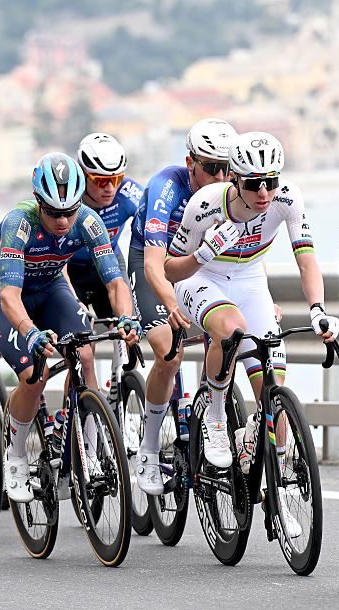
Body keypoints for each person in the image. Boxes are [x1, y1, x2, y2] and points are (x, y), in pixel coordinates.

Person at [164, 131, 339, 535]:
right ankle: (216, 418)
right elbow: (170, 270)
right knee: (231, 329)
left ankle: (278, 498)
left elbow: (307, 261)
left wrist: (318, 310)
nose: (264, 192)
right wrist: (203, 254)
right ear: (234, 180)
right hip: (202, 277)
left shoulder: (287, 200)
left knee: (273, 391)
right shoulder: (205, 205)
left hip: (248, 281)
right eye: (254, 184)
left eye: (271, 181)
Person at [0, 153, 139, 503]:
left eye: (70, 211)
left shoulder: (88, 220)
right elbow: (9, 295)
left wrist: (126, 317)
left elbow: (114, 282)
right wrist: (30, 331)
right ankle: (17, 455)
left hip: (51, 287)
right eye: (54, 212)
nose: (64, 220)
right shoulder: (18, 223)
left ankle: (88, 449)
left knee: (84, 352)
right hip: (5, 295)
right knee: (32, 377)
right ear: (39, 202)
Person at [127, 117, 236, 495]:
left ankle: (211, 415)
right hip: (153, 262)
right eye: (211, 168)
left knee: (227, 338)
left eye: (227, 168)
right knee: (169, 356)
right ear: (191, 163)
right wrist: (171, 303)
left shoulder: (230, 188)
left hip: (200, 264)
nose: (221, 177)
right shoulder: (165, 189)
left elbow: (246, 248)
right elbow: (156, 265)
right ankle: (150, 446)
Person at [66, 133, 143, 391]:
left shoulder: (128, 193)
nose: (110, 187)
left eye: (116, 179)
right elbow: (56, 260)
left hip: (106, 263)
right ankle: (85, 405)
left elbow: (155, 234)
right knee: (82, 350)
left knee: (125, 324)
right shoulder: (68, 200)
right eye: (100, 181)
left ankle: (119, 384)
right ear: (84, 176)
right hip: (70, 270)